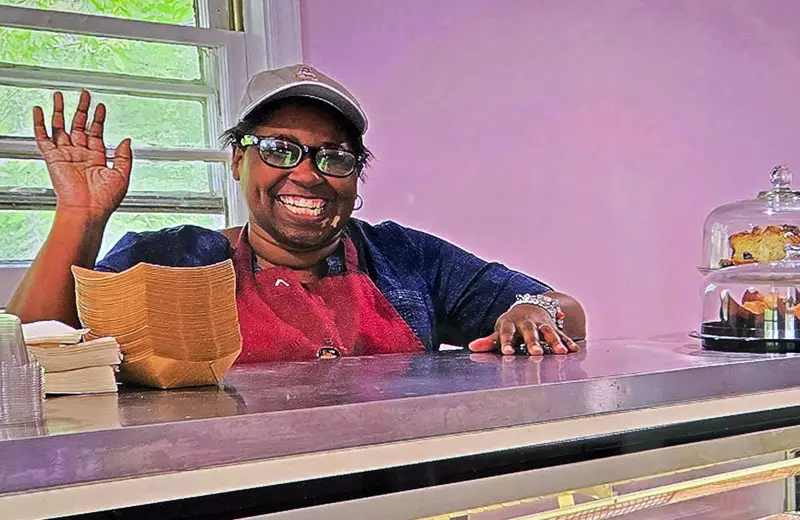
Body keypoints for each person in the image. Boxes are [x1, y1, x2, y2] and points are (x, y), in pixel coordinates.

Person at [7, 64, 586, 362]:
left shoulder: (406, 259)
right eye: (280, 149)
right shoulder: (167, 260)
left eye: (334, 156)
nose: (308, 174)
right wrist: (80, 215)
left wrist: (532, 311)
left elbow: (566, 309)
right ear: (238, 160)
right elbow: (29, 353)